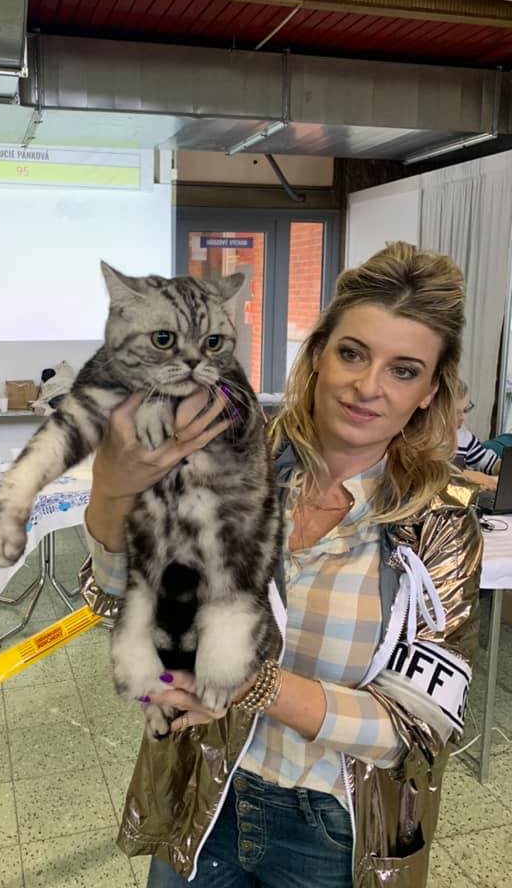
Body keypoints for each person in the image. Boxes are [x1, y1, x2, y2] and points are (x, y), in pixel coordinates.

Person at [80, 242, 482, 888]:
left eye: (403, 370)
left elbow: (418, 726)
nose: (368, 386)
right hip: (203, 795)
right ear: (318, 353)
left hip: (334, 831)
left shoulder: (437, 524)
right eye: (352, 353)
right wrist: (110, 492)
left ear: (429, 390)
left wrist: (254, 686)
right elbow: (117, 598)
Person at [455, 379, 500, 491]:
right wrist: (468, 475)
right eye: (456, 412)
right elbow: (435, 473)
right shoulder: (421, 438)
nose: (462, 418)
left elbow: (485, 460)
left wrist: (502, 467)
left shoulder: (464, 437)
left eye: (465, 410)